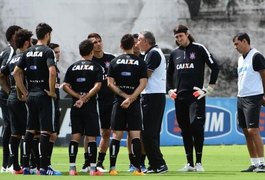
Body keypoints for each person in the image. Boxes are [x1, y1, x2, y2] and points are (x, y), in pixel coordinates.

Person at [167, 25, 219, 172]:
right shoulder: (174, 53)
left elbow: (215, 67)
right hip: (180, 98)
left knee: (196, 126)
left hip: (195, 96)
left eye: (181, 36)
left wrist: (208, 89)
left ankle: (199, 163)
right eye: (176, 37)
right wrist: (169, 90)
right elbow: (168, 75)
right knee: (185, 129)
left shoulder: (199, 48)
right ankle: (189, 164)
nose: (179, 39)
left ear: (187, 34)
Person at [13, 22, 59, 175]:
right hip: (44, 96)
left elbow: (15, 73)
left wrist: (24, 91)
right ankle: (44, 168)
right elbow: (52, 72)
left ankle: (26, 166)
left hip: (31, 95)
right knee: (46, 131)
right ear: (47, 35)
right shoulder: (48, 51)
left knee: (30, 130)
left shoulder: (28, 51)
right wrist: (52, 91)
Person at [107, 33, 147, 176]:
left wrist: (124, 97)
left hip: (119, 103)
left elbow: (110, 84)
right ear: (134, 45)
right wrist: (131, 98)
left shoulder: (114, 62)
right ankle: (137, 169)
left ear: (121, 46)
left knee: (116, 135)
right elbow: (143, 83)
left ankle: (112, 168)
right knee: (135, 136)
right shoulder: (141, 62)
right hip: (134, 103)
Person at [63, 39, 103, 176]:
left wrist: (78, 97)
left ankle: (72, 168)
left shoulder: (72, 67)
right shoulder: (97, 67)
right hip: (90, 106)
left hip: (75, 105)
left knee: (75, 136)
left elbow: (65, 86)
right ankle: (92, 169)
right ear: (92, 51)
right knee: (91, 137)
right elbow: (97, 86)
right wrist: (85, 98)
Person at [80, 33, 115, 173]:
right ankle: (87, 161)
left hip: (108, 101)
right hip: (92, 101)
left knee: (106, 132)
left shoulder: (111, 59)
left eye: (99, 41)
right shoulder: (88, 62)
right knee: (90, 134)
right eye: (94, 42)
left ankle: (100, 162)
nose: (98, 44)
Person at [0, 28, 32, 174]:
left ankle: (13, 165)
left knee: (14, 131)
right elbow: (14, 73)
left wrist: (9, 91)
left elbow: (2, 74)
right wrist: (22, 92)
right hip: (17, 97)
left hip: (10, 96)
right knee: (27, 131)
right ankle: (21, 165)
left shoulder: (12, 55)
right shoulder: (20, 55)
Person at [136, 30, 168, 174]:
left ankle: (159, 164)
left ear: (146, 41)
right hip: (152, 95)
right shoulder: (150, 53)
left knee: (149, 133)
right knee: (150, 132)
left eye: (139, 40)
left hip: (153, 96)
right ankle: (154, 164)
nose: (137, 43)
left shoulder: (154, 53)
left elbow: (146, 74)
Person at [233, 32, 265, 172]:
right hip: (241, 97)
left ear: (245, 41)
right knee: (246, 131)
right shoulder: (240, 59)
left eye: (237, 44)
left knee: (253, 130)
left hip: (253, 97)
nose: (235, 47)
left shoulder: (256, 56)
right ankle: (255, 163)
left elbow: (264, 76)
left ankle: (263, 164)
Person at [0, 25, 22, 173]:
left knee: (10, 127)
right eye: (19, 34)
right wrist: (9, 92)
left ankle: (7, 163)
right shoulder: (11, 52)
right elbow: (2, 74)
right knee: (10, 127)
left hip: (7, 94)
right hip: (7, 95)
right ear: (13, 36)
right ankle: (7, 164)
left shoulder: (7, 51)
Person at [127, 33, 146, 172]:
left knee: (143, 133)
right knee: (131, 132)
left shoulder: (145, 59)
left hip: (145, 99)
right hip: (129, 100)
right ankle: (132, 161)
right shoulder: (124, 61)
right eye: (133, 43)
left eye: (137, 42)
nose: (136, 45)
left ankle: (142, 161)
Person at [46, 43, 62, 174]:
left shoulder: (56, 68)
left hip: (55, 104)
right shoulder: (48, 67)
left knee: (53, 135)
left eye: (59, 52)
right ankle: (43, 164)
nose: (58, 54)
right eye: (56, 52)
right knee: (48, 134)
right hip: (48, 103)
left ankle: (45, 163)